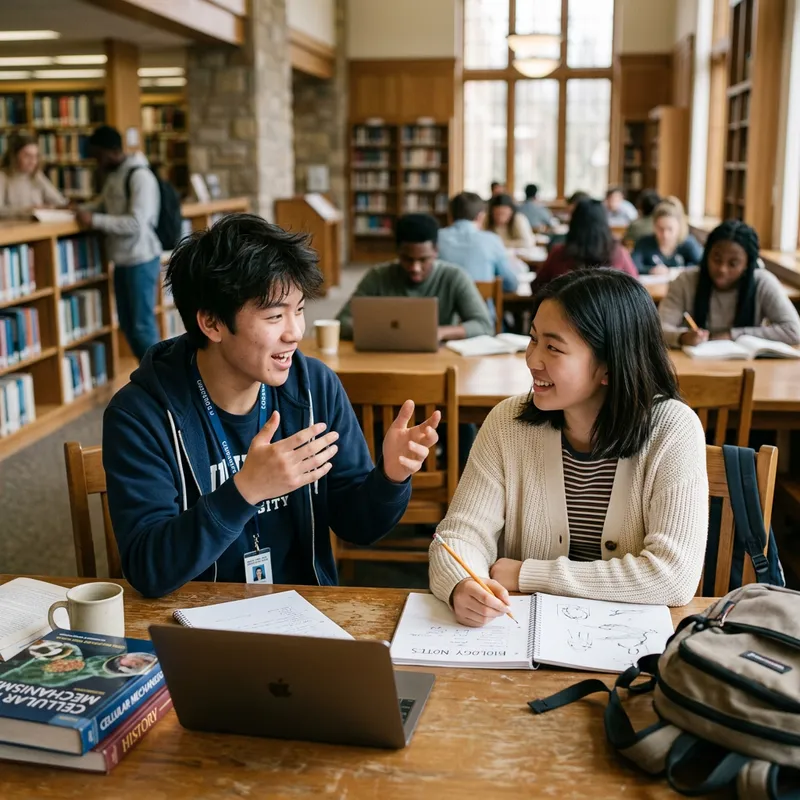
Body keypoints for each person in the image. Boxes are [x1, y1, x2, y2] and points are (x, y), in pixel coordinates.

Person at [103, 214, 440, 598]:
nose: (295, 332)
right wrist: (244, 490)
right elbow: (149, 569)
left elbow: (358, 527)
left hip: (304, 614)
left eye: (298, 310)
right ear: (212, 323)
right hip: (191, 626)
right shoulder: (140, 415)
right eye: (275, 315)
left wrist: (390, 478)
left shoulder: (314, 386)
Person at [429, 269, 709, 624]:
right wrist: (462, 583)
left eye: (553, 347)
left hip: (630, 651)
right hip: (521, 641)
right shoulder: (508, 422)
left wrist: (528, 575)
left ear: (609, 367)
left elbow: (673, 577)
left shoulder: (672, 429)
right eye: (533, 339)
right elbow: (458, 535)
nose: (532, 359)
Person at [337, 213, 493, 342]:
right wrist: (381, 333)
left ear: (436, 251)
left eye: (423, 260)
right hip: (385, 358)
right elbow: (342, 322)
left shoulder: (454, 276)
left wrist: (440, 332)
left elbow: (484, 325)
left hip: (439, 361)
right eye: (407, 259)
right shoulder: (378, 276)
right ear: (397, 252)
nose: (415, 268)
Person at [77, 125, 162, 361]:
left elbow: (137, 223)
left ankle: (162, 382)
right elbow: (101, 205)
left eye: (98, 155)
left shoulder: (140, 177)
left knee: (142, 325)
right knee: (128, 325)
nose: (96, 162)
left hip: (141, 259)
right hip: (122, 259)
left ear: (112, 151)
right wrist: (77, 209)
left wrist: (94, 220)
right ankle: (148, 378)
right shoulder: (115, 176)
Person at [659, 220, 800, 348]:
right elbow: (658, 329)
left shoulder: (762, 283)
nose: (722, 269)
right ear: (706, 254)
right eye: (716, 259)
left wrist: (733, 335)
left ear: (747, 265)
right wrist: (682, 337)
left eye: (733, 264)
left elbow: (794, 331)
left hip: (748, 367)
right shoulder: (685, 281)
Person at [531, 199, 637, 294]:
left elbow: (537, 286)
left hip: (565, 314)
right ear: (605, 224)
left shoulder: (559, 254)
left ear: (573, 223)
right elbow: (636, 286)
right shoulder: (617, 253)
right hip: (610, 314)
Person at [437, 192, 518, 291]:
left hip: (442, 305)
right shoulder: (492, 240)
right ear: (481, 216)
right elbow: (511, 284)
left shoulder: (435, 238)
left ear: (450, 215)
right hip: (482, 305)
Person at [0, 133, 67, 218]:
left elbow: (59, 202)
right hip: (13, 228)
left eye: (35, 156)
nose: (33, 161)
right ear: (14, 156)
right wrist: (27, 210)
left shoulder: (36, 176)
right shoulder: (2, 177)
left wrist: (51, 207)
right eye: (27, 156)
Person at [633, 199, 703, 274]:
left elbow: (702, 264)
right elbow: (633, 266)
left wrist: (682, 270)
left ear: (679, 227)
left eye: (670, 229)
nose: (665, 235)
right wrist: (650, 270)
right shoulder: (644, 243)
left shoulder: (688, 243)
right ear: (654, 227)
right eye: (660, 229)